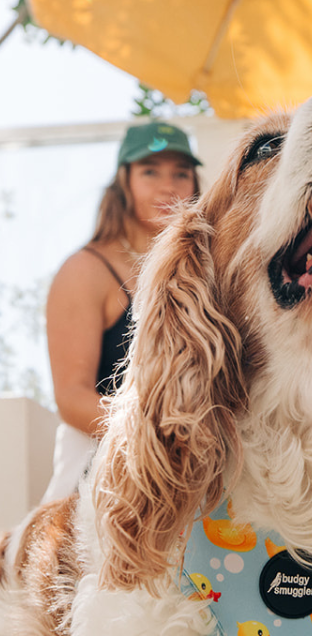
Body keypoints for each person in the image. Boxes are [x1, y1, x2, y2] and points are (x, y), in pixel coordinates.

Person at [41, 121, 202, 503]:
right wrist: (162, 440)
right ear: (122, 182)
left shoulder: (204, 273)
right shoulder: (85, 270)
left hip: (189, 485)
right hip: (98, 481)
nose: (168, 186)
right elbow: (71, 397)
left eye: (181, 173)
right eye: (150, 171)